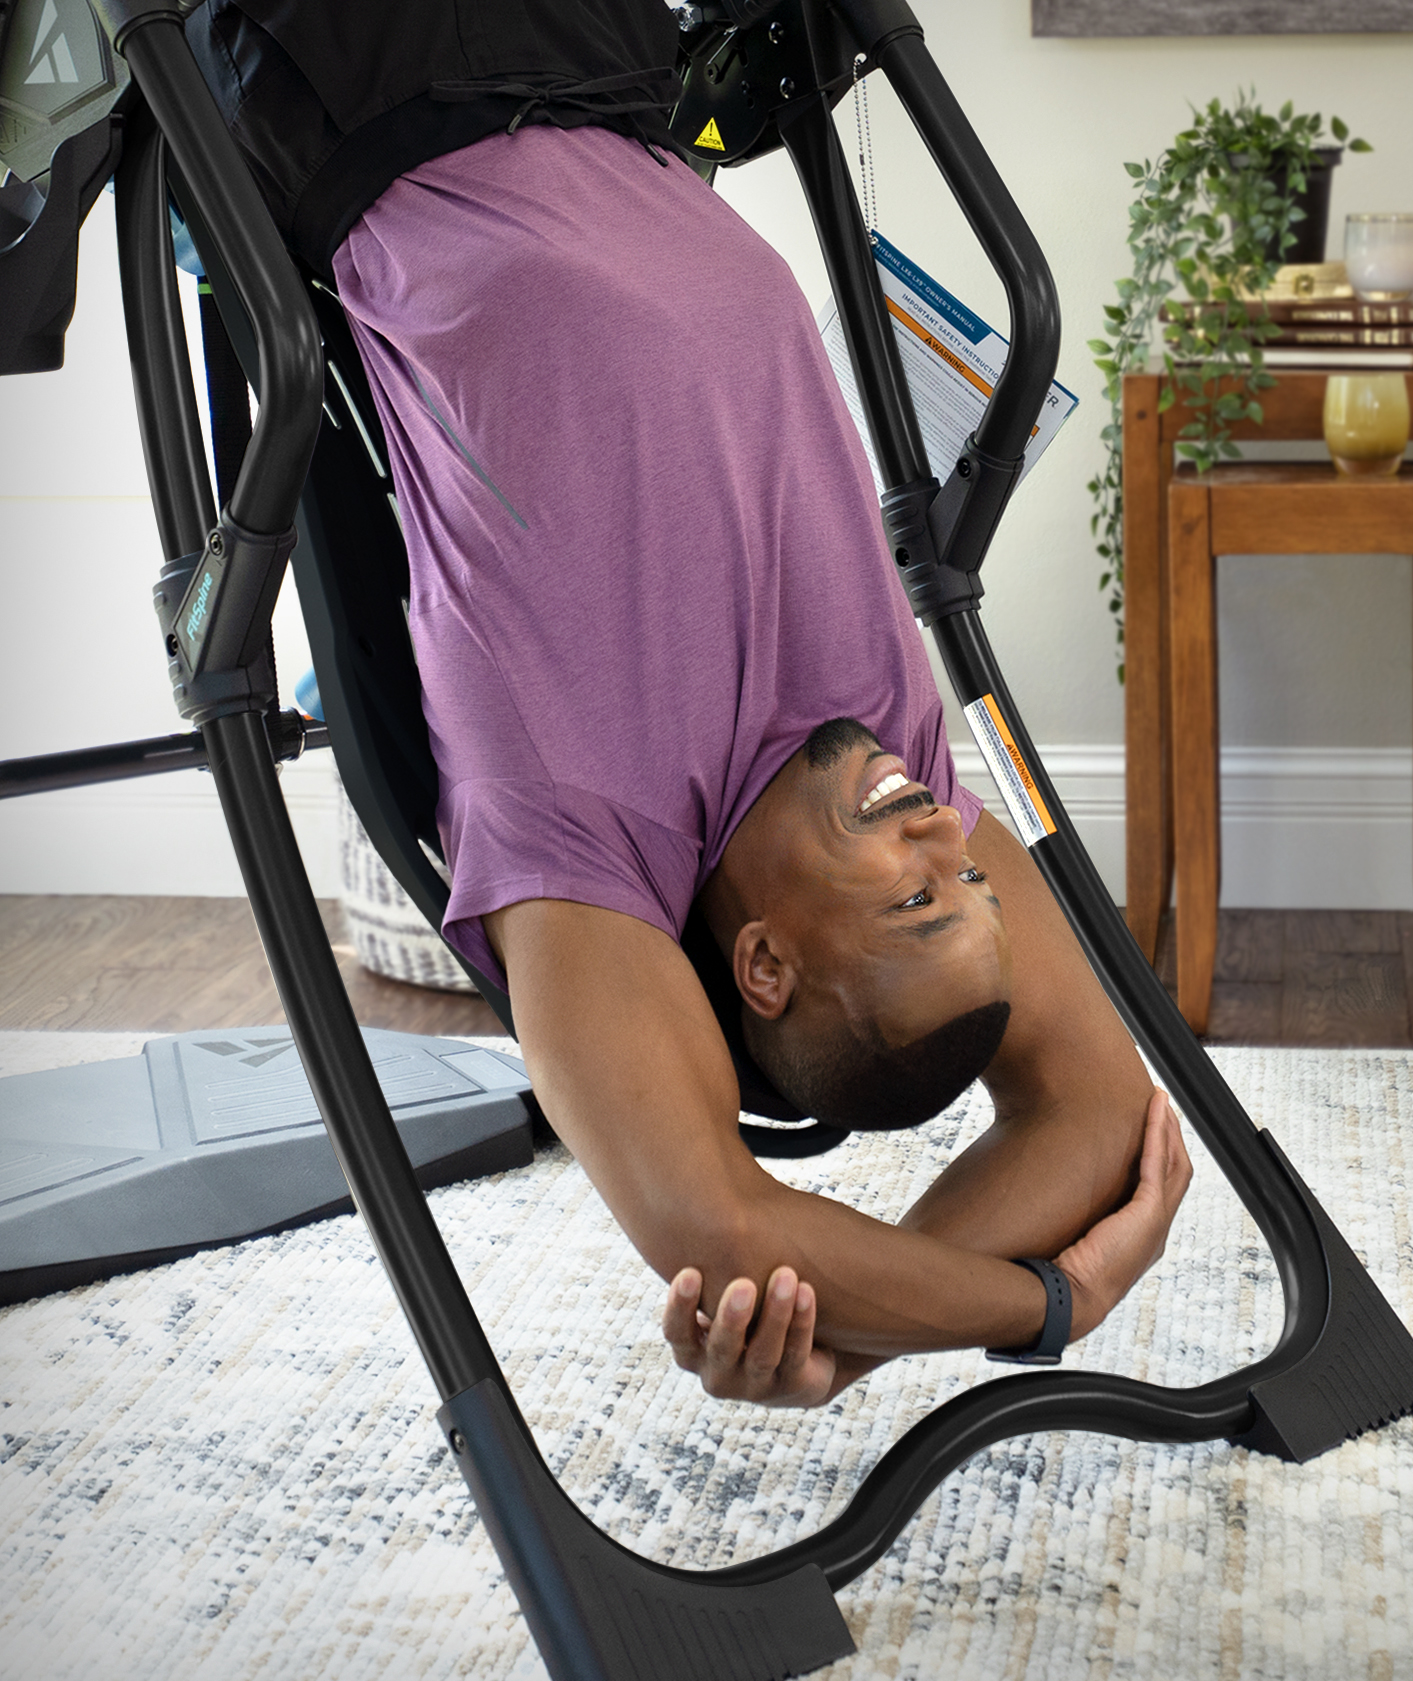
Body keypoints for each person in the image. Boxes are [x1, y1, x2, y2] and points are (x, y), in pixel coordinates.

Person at [187, 0, 1192, 1408]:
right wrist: (1035, 1301)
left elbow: (715, 1224)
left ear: (767, 965)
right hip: (607, 68)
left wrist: (838, 1323)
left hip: (370, 73)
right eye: (965, 879)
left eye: (919, 901)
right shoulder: (887, 771)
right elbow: (1099, 1110)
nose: (946, 841)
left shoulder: (585, 846)